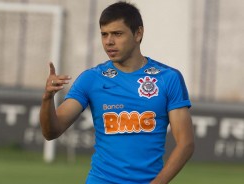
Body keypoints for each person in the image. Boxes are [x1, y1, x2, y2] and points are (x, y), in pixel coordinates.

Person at [40, 1, 194, 184]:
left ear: (138, 33)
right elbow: (51, 132)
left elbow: (186, 143)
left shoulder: (168, 78)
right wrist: (47, 98)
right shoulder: (91, 79)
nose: (109, 41)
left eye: (117, 34)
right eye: (104, 35)